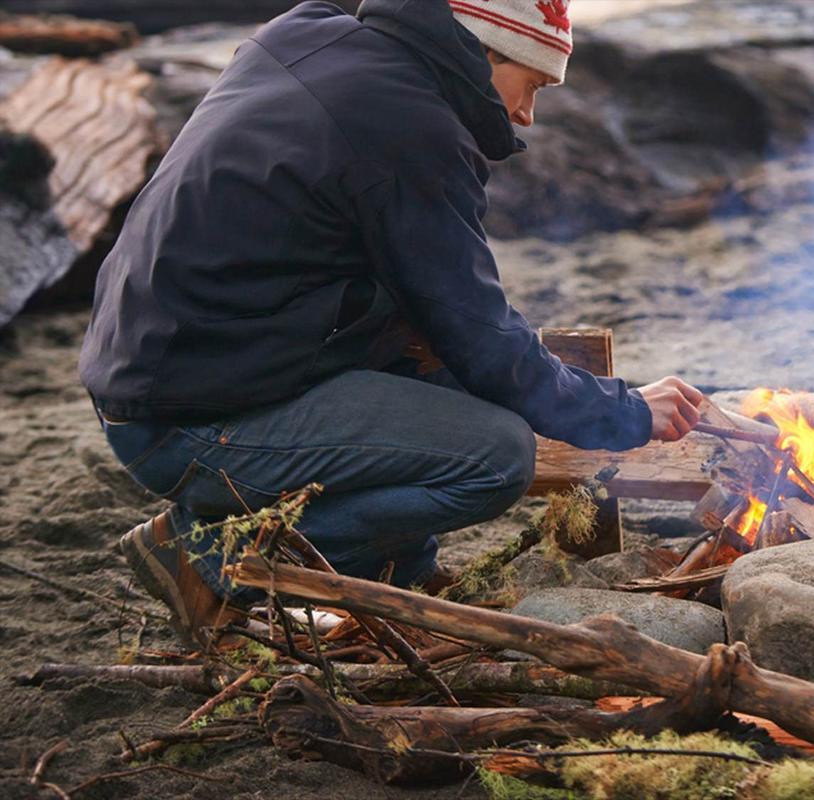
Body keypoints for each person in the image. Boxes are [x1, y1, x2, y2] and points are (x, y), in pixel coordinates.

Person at [77, 0, 704, 648]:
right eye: (534, 84)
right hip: (186, 419)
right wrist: (626, 410)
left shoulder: (312, 34)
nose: (526, 114)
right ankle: (210, 553)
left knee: (453, 386)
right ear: (487, 50)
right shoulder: (411, 127)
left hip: (161, 360)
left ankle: (401, 571)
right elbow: (482, 340)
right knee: (495, 456)